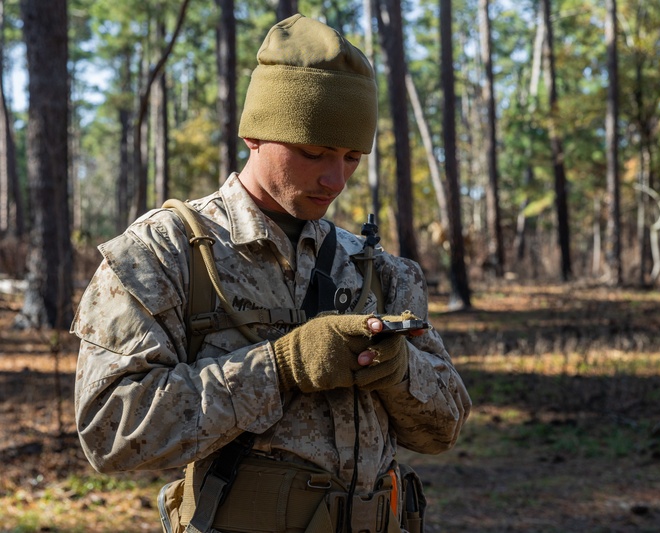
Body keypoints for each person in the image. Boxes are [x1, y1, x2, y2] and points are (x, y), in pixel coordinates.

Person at [72, 13, 471, 533]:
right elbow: (110, 430)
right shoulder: (163, 254)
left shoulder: (378, 271)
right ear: (257, 134)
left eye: (352, 157)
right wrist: (279, 368)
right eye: (313, 153)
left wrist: (398, 373)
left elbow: (444, 428)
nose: (336, 179)